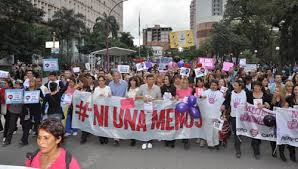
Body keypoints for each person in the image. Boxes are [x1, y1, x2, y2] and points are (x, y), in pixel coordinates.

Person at [222, 80, 249, 158]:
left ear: (240, 86)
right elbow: (227, 101)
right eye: (234, 85)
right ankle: (238, 149)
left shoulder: (245, 93)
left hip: (243, 116)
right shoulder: (231, 93)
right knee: (236, 132)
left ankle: (238, 143)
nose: (234, 87)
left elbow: (251, 101)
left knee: (240, 132)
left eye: (236, 85)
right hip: (233, 116)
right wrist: (224, 105)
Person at [247, 81, 272, 160]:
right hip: (252, 118)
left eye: (258, 86)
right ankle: (256, 152)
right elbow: (247, 104)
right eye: (254, 86)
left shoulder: (266, 95)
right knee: (255, 133)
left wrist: (265, 105)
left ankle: (256, 142)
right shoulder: (250, 95)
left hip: (262, 118)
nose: (256, 87)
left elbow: (270, 106)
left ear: (261, 87)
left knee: (260, 133)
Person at [136, 73, 161, 150]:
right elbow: (136, 97)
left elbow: (160, 99)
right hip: (143, 110)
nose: (151, 81)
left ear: (154, 80)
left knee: (151, 125)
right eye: (149, 79)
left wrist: (153, 100)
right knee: (144, 125)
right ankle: (144, 141)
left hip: (153, 110)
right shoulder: (142, 87)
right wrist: (143, 97)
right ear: (146, 80)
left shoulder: (157, 88)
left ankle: (150, 140)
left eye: (152, 79)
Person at [20, 78, 44, 146]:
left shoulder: (38, 90)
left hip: (37, 109)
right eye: (29, 82)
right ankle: (24, 140)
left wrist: (40, 98)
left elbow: (43, 99)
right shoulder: (26, 90)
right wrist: (23, 101)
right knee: (27, 124)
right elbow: (23, 98)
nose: (30, 83)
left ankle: (39, 136)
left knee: (37, 123)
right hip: (28, 110)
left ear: (35, 83)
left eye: (32, 82)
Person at [109, 71, 128, 146]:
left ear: (120, 76)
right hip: (114, 104)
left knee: (122, 120)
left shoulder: (124, 83)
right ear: (112, 76)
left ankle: (122, 134)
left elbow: (126, 93)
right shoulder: (110, 84)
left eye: (117, 76)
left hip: (123, 104)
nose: (116, 77)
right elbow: (110, 93)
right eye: (114, 76)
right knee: (115, 121)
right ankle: (116, 138)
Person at [3, 80, 23, 146]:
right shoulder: (10, 91)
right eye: (15, 84)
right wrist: (6, 98)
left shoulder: (24, 92)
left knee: (25, 125)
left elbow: (27, 100)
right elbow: (7, 99)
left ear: (21, 85)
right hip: (12, 110)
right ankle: (7, 141)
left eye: (18, 85)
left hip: (22, 110)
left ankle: (24, 140)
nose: (16, 86)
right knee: (11, 126)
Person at [175, 77, 194, 150]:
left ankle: (186, 141)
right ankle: (183, 137)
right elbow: (176, 97)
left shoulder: (190, 89)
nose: (185, 84)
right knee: (181, 125)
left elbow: (192, 97)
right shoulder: (178, 90)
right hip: (181, 110)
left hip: (188, 110)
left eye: (186, 83)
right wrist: (176, 98)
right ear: (181, 83)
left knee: (187, 124)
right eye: (183, 82)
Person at [93, 75, 111, 144]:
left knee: (105, 124)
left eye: (102, 80)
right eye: (99, 80)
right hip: (98, 108)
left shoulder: (108, 88)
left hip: (106, 108)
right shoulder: (96, 89)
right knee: (99, 123)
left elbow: (110, 97)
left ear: (104, 81)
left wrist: (108, 96)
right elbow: (94, 99)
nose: (101, 82)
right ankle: (101, 137)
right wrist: (98, 96)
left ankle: (105, 136)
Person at [160, 75, 176, 148]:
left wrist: (173, 98)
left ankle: (172, 140)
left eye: (167, 79)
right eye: (165, 79)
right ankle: (166, 139)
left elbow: (175, 97)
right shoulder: (162, 87)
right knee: (165, 123)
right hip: (164, 108)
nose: (165, 80)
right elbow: (160, 97)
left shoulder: (173, 87)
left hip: (172, 108)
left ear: (170, 80)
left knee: (172, 124)